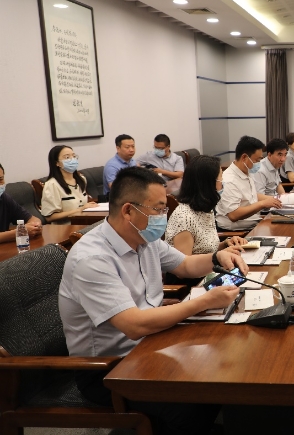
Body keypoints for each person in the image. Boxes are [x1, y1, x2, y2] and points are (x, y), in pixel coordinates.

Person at [59, 166, 248, 434]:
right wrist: (203, 302)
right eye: (158, 209)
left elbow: (184, 265)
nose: (164, 216)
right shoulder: (92, 259)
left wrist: (217, 258)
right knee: (192, 403)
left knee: (219, 369)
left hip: (150, 344)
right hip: (108, 368)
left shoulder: (143, 238)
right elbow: (134, 325)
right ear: (128, 210)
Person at [165, 155, 247, 257]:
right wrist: (218, 256)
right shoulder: (184, 218)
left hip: (211, 266)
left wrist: (226, 244)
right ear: (208, 183)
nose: (223, 181)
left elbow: (206, 249)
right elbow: (184, 263)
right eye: (220, 177)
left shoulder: (205, 209)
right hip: (202, 268)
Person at [215, 136, 282, 231]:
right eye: (257, 160)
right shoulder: (229, 180)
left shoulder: (246, 171)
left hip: (254, 224)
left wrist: (276, 199)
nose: (259, 163)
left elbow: (251, 195)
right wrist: (263, 204)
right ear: (244, 157)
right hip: (237, 232)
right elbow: (233, 215)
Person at [40, 145, 98, 224]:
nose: (72, 160)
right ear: (57, 163)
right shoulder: (52, 185)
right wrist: (79, 210)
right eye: (67, 157)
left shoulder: (81, 179)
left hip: (85, 223)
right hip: (66, 227)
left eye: (74, 156)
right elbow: (50, 217)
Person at [0, 163, 42, 243]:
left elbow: (32, 218)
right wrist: (19, 232)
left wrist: (35, 226)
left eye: (0, 179)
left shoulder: (4, 198)